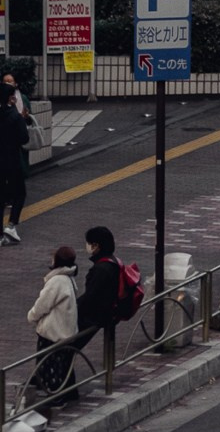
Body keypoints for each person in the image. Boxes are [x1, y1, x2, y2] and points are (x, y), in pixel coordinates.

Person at [24, 244, 78, 413]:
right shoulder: (68, 278)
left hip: (53, 331)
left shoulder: (56, 281)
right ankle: (68, 392)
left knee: (49, 364)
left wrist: (32, 316)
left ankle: (56, 397)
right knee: (62, 364)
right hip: (67, 331)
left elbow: (43, 305)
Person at [74, 225, 133, 373]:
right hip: (108, 313)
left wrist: (73, 308)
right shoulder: (114, 262)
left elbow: (91, 297)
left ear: (96, 246)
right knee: (68, 348)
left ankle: (60, 385)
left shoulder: (102, 269)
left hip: (96, 316)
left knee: (65, 345)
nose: (87, 246)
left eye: (89, 243)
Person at [0, 69, 32, 242]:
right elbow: (24, 138)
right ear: (10, 97)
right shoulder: (14, 116)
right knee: (19, 193)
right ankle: (11, 225)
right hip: (13, 160)